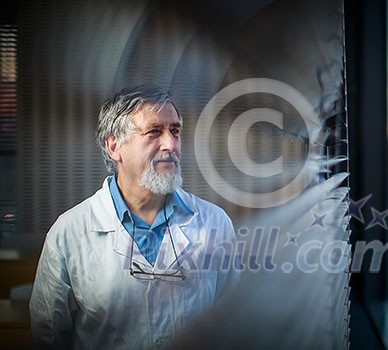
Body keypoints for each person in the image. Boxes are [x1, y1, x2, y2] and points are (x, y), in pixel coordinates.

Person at [29, 84, 240, 349]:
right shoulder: (69, 233)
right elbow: (48, 337)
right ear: (114, 146)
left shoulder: (215, 224)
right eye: (154, 132)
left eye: (175, 131)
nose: (171, 144)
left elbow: (234, 324)